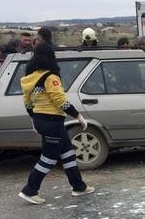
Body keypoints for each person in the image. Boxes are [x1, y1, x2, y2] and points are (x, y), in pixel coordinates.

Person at [18, 43, 94, 204]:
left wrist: (33, 118)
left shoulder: (29, 78)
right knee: (49, 158)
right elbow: (59, 100)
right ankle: (29, 190)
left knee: (68, 153)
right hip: (52, 121)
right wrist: (77, 115)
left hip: (42, 119)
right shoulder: (50, 77)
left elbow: (27, 102)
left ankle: (79, 187)